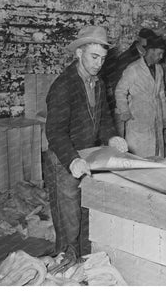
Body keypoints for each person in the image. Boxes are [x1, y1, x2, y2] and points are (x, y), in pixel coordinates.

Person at [44, 25, 128, 270]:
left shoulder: (98, 83)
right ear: (79, 53)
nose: (99, 63)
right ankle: (65, 270)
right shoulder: (64, 85)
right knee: (69, 223)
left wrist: (112, 137)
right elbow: (55, 131)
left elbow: (102, 119)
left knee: (86, 216)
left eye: (102, 58)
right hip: (64, 160)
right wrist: (72, 160)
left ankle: (81, 267)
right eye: (94, 57)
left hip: (87, 158)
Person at [114, 35, 166, 157]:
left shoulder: (159, 69)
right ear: (151, 51)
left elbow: (161, 94)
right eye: (159, 53)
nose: (161, 57)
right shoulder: (133, 69)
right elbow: (120, 90)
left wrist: (165, 115)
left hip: (156, 118)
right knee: (138, 156)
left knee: (156, 155)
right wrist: (124, 111)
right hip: (138, 119)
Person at [100, 28, 158, 121]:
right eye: (145, 46)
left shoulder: (148, 59)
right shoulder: (126, 59)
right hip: (129, 109)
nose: (148, 49)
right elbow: (118, 88)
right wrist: (125, 110)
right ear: (138, 40)